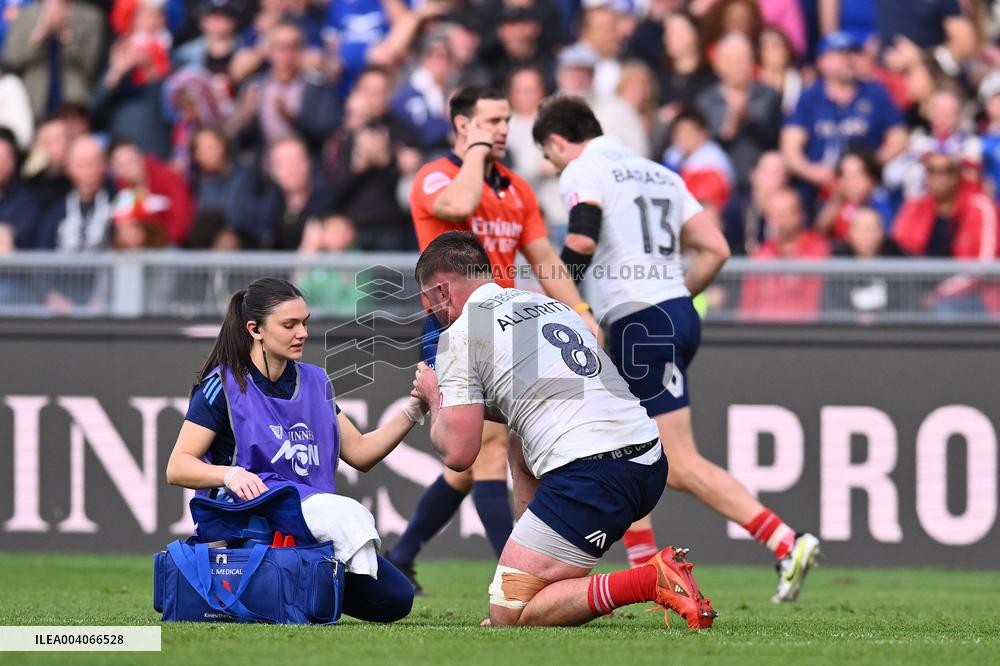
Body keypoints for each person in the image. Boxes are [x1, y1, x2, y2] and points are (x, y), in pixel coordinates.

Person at [532, 96, 820, 602]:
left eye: (550, 156)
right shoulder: (660, 172)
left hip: (639, 319)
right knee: (624, 443)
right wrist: (674, 298)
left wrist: (562, 304)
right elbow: (716, 249)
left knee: (676, 461)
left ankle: (784, 541)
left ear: (558, 142)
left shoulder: (584, 169)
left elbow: (582, 239)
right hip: (672, 313)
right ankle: (647, 571)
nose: (554, 167)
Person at [409, 231, 716, 629]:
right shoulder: (550, 305)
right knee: (518, 439)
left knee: (508, 613)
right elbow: (541, 400)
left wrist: (434, 398)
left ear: (440, 291)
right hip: (647, 458)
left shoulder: (462, 334)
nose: (429, 312)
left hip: (592, 475)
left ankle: (650, 579)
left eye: (426, 300)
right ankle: (539, 556)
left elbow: (458, 452)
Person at [386, 85, 597, 593]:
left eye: (505, 120)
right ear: (462, 125)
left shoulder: (518, 189)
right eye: (492, 121)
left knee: (471, 464)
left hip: (506, 325)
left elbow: (544, 259)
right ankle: (520, 576)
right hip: (451, 325)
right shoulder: (435, 176)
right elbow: (460, 202)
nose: (504, 129)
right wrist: (477, 153)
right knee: (491, 448)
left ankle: (400, 556)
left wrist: (582, 312)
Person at [165, 277, 420, 623]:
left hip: (304, 524)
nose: (302, 333)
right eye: (289, 325)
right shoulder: (222, 385)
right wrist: (230, 474)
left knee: (394, 598)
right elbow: (177, 467)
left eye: (304, 323)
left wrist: (415, 409)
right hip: (247, 526)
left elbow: (360, 453)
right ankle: (279, 590)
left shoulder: (316, 382)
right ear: (255, 329)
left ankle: (282, 593)